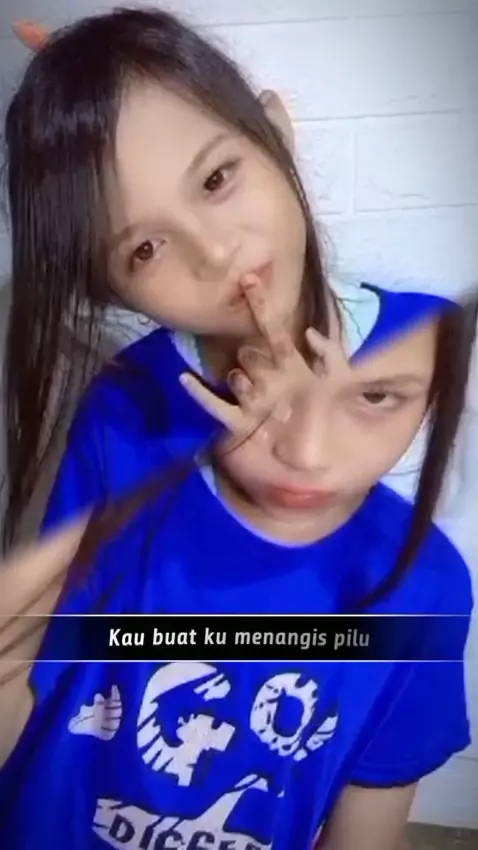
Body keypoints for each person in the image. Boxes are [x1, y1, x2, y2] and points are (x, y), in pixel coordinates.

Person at [0, 7, 476, 849]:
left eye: (217, 178)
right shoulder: (125, 411)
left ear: (276, 134)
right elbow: (32, 680)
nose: (216, 252)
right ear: (109, 290)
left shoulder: (424, 584)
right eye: (145, 249)